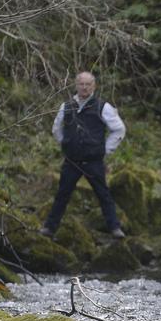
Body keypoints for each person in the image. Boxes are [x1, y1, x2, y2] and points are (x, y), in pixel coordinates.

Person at [40, 71, 126, 239]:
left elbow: (119, 129)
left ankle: (115, 228)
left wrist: (106, 150)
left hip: (93, 161)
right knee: (62, 195)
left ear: (94, 86)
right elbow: (56, 129)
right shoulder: (67, 106)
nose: (84, 87)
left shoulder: (103, 106)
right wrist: (67, 144)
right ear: (76, 85)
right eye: (81, 84)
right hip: (72, 160)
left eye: (88, 84)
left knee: (103, 195)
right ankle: (49, 228)